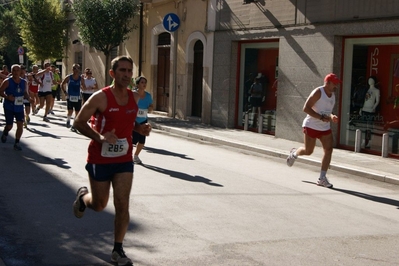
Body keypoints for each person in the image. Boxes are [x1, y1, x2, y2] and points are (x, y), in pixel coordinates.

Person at [72, 56, 151, 265]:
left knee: (122, 203)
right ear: (112, 73)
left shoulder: (135, 97)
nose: (126, 74)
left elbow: (128, 121)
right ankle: (83, 199)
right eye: (122, 70)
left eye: (129, 70)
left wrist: (139, 129)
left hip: (124, 159)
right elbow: (78, 122)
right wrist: (100, 137)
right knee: (99, 204)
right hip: (100, 157)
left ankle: (118, 249)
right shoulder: (100, 97)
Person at [286, 73, 340, 188]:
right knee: (308, 151)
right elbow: (306, 108)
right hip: (311, 125)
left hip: (324, 127)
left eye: (337, 83)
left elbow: (327, 111)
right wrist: (320, 117)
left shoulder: (333, 95)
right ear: (327, 83)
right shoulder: (318, 92)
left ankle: (322, 178)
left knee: (329, 149)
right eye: (334, 83)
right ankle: (294, 153)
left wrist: (332, 117)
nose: (336, 85)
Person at [0, 64, 32, 150]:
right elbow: (0, 91)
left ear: (20, 71)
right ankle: (5, 132)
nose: (16, 72)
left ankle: (17, 143)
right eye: (14, 70)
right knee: (9, 126)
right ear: (11, 72)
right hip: (9, 106)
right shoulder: (7, 81)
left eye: (18, 70)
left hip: (19, 107)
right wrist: (7, 97)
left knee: (20, 125)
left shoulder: (24, 82)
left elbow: (25, 92)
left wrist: (28, 98)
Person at [132, 76, 153, 164]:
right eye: (142, 82)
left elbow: (151, 105)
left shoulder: (148, 95)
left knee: (142, 141)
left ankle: (136, 156)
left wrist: (150, 108)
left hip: (143, 120)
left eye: (145, 83)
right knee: (132, 141)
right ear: (137, 84)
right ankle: (125, 156)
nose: (144, 84)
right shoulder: (133, 94)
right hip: (134, 121)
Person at [61, 64, 86, 131]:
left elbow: (84, 87)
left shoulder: (81, 78)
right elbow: (62, 84)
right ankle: (68, 120)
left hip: (77, 97)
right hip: (70, 96)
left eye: (77, 68)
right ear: (72, 69)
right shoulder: (69, 77)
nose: (75, 70)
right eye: (74, 68)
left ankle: (74, 125)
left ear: (79, 70)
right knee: (70, 111)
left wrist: (83, 86)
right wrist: (65, 92)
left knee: (77, 112)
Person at [360, 76, 380, 148]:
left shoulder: (376, 91)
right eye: (369, 80)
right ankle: (363, 141)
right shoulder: (366, 90)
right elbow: (364, 100)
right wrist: (361, 108)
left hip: (370, 110)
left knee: (369, 127)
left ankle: (369, 142)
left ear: (374, 81)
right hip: (364, 109)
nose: (369, 81)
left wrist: (373, 108)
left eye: (371, 80)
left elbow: (377, 101)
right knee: (363, 126)